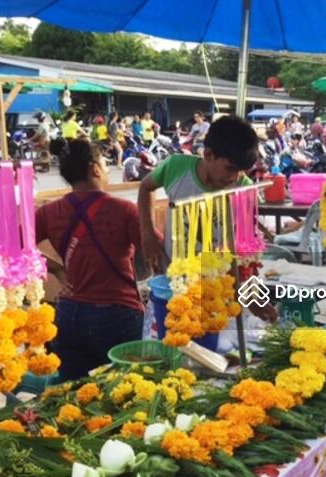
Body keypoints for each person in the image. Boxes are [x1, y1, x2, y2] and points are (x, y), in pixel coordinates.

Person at [36, 138, 143, 380]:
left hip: (69, 314)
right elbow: (158, 248)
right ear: (95, 168)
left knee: (75, 394)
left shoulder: (48, 212)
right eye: (105, 166)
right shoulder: (124, 210)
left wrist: (56, 269)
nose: (107, 173)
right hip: (116, 316)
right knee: (121, 392)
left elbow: (16, 246)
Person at [138, 115, 258, 271]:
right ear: (208, 155)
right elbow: (145, 187)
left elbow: (246, 242)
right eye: (230, 168)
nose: (235, 177)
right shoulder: (176, 167)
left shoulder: (243, 188)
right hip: (174, 276)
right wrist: (148, 233)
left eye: (241, 171)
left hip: (219, 282)